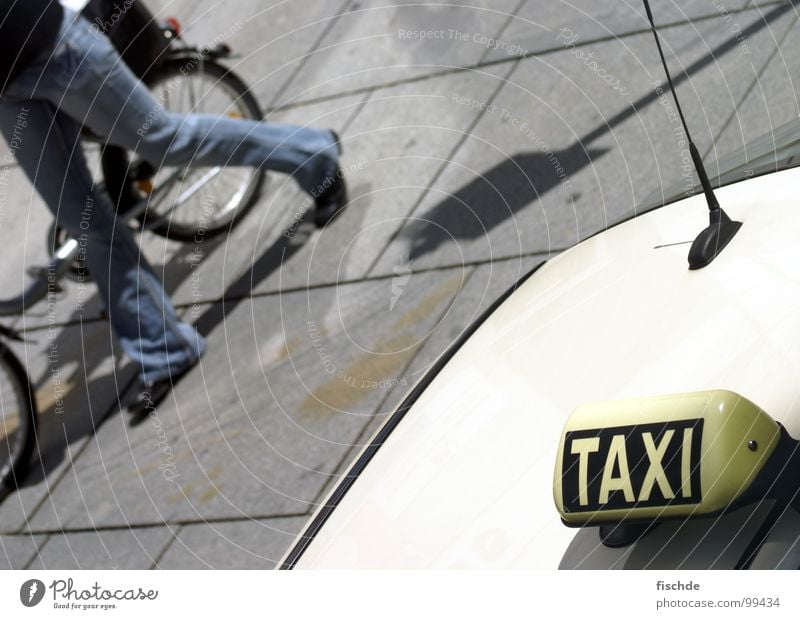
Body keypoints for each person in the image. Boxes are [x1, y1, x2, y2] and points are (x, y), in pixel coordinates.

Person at [0, 0, 347, 415]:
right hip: (10, 91)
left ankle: (314, 155)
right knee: (83, 220)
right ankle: (165, 350)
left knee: (167, 141)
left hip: (53, 47)